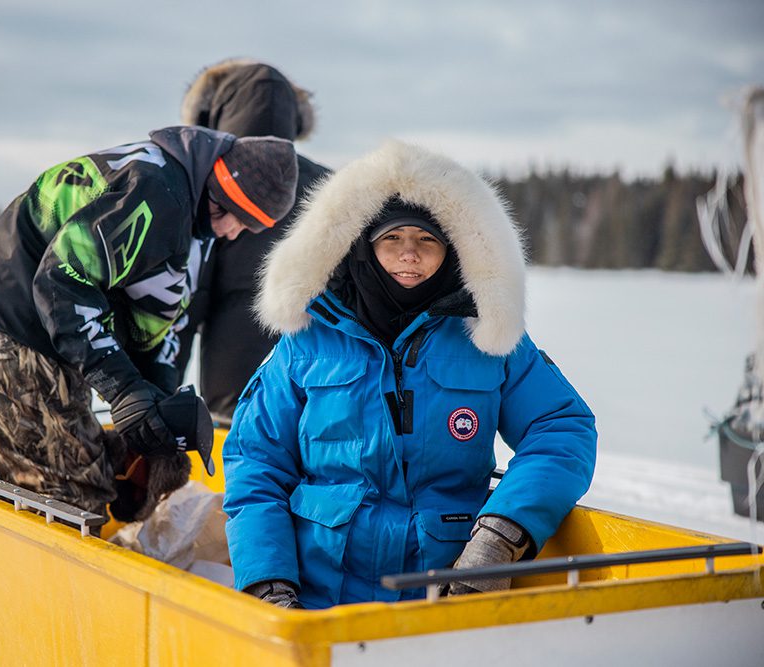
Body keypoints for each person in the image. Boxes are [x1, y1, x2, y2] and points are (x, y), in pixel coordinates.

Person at [223, 141, 597, 609]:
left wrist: (500, 537)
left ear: (454, 252)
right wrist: (269, 582)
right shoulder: (307, 340)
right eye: (392, 240)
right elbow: (256, 464)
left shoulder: (487, 341)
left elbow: (562, 429)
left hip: (445, 603)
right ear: (362, 246)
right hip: (319, 604)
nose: (409, 257)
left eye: (427, 241)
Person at [0, 126, 298, 522]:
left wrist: (155, 411)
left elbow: (154, 317)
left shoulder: (184, 199)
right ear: (222, 194)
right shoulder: (159, 195)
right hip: (1, 335)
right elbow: (63, 280)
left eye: (252, 228)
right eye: (240, 219)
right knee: (71, 503)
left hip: (2, 330)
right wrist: (123, 390)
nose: (234, 233)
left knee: (69, 483)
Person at [175, 59, 331, 419]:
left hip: (232, 364)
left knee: (236, 448)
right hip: (318, 359)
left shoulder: (209, 183)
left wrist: (159, 387)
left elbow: (186, 291)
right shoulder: (327, 185)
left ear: (214, 112)